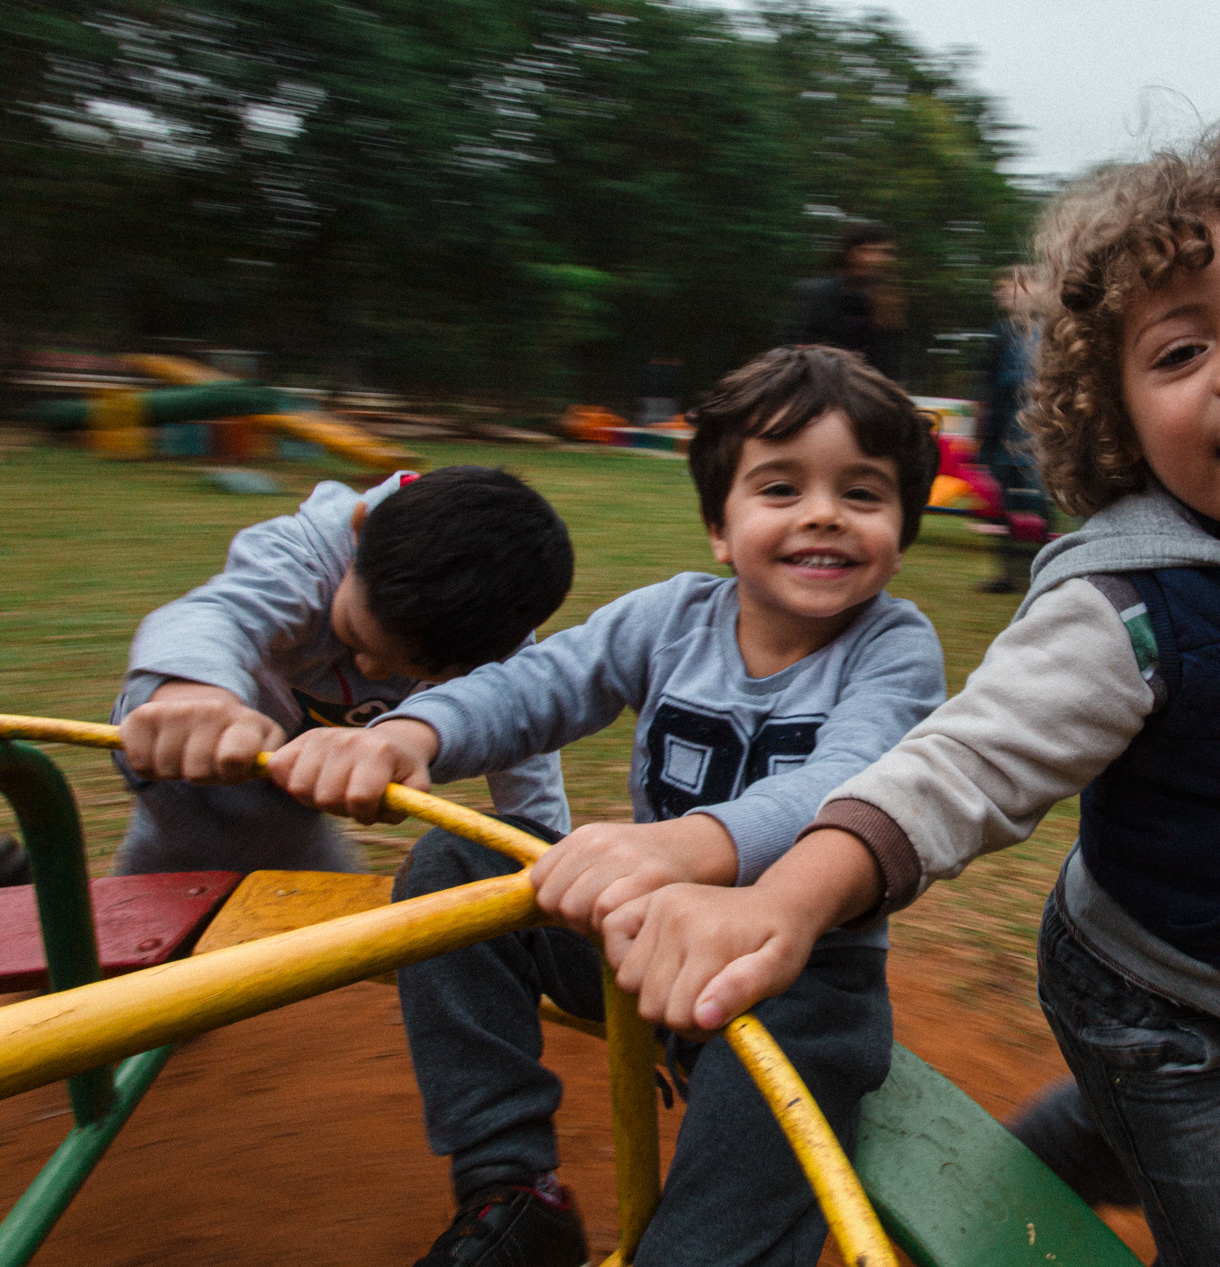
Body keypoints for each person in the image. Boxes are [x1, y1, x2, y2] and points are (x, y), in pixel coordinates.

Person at [592, 114, 1220, 1267]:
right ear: (1117, 410)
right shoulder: (1127, 606)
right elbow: (961, 765)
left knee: (1096, 1139)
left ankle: (1008, 1176)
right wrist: (785, 899)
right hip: (1146, 1006)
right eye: (1181, 352)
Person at [266, 345, 945, 1267]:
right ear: (719, 523)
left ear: (901, 530)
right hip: (633, 942)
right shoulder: (670, 618)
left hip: (796, 971)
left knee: (774, 1124)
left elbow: (850, 779)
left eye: (862, 494)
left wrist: (685, 845)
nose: (823, 513)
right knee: (454, 868)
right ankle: (511, 1187)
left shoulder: (894, 647)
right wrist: (408, 735)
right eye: (780, 488)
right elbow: (535, 684)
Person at [113, 466, 574, 876]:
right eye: (355, 633)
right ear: (358, 534)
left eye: (411, 670)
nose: (370, 670)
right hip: (191, 742)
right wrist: (196, 696)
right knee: (184, 875)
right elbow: (216, 615)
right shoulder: (301, 557)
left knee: (298, 870)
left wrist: (549, 852)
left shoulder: (492, 633)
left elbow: (521, 737)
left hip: (292, 776)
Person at [975, 265, 1050, 594]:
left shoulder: (1052, 332)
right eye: (1002, 288)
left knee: (1040, 507)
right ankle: (1007, 575)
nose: (1002, 293)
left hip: (1039, 438)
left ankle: (1043, 575)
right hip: (1003, 436)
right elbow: (986, 389)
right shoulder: (1000, 332)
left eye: (1012, 287)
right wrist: (982, 436)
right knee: (1003, 506)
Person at [777, 221, 904, 381]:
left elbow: (887, 368)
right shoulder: (815, 295)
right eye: (866, 250)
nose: (874, 259)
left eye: (884, 252)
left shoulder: (889, 305)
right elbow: (788, 355)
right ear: (849, 253)